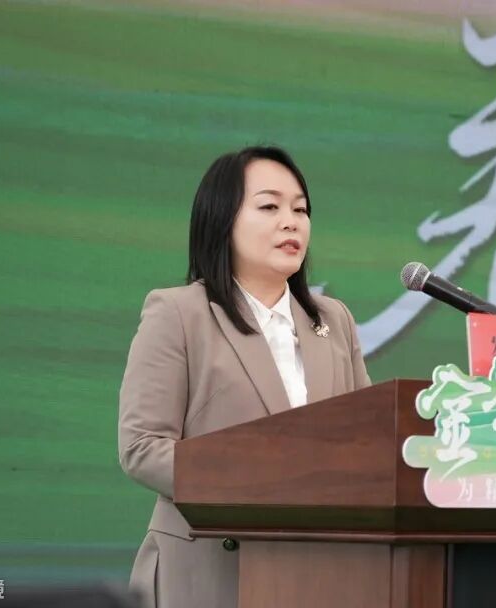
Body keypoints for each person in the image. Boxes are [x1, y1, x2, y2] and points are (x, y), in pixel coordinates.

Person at [117, 146, 371, 608]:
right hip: (208, 572)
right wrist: (263, 481)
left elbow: (368, 443)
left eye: (301, 210)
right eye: (270, 207)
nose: (291, 222)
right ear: (222, 220)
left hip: (319, 572)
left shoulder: (334, 320)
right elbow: (142, 447)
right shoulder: (179, 313)